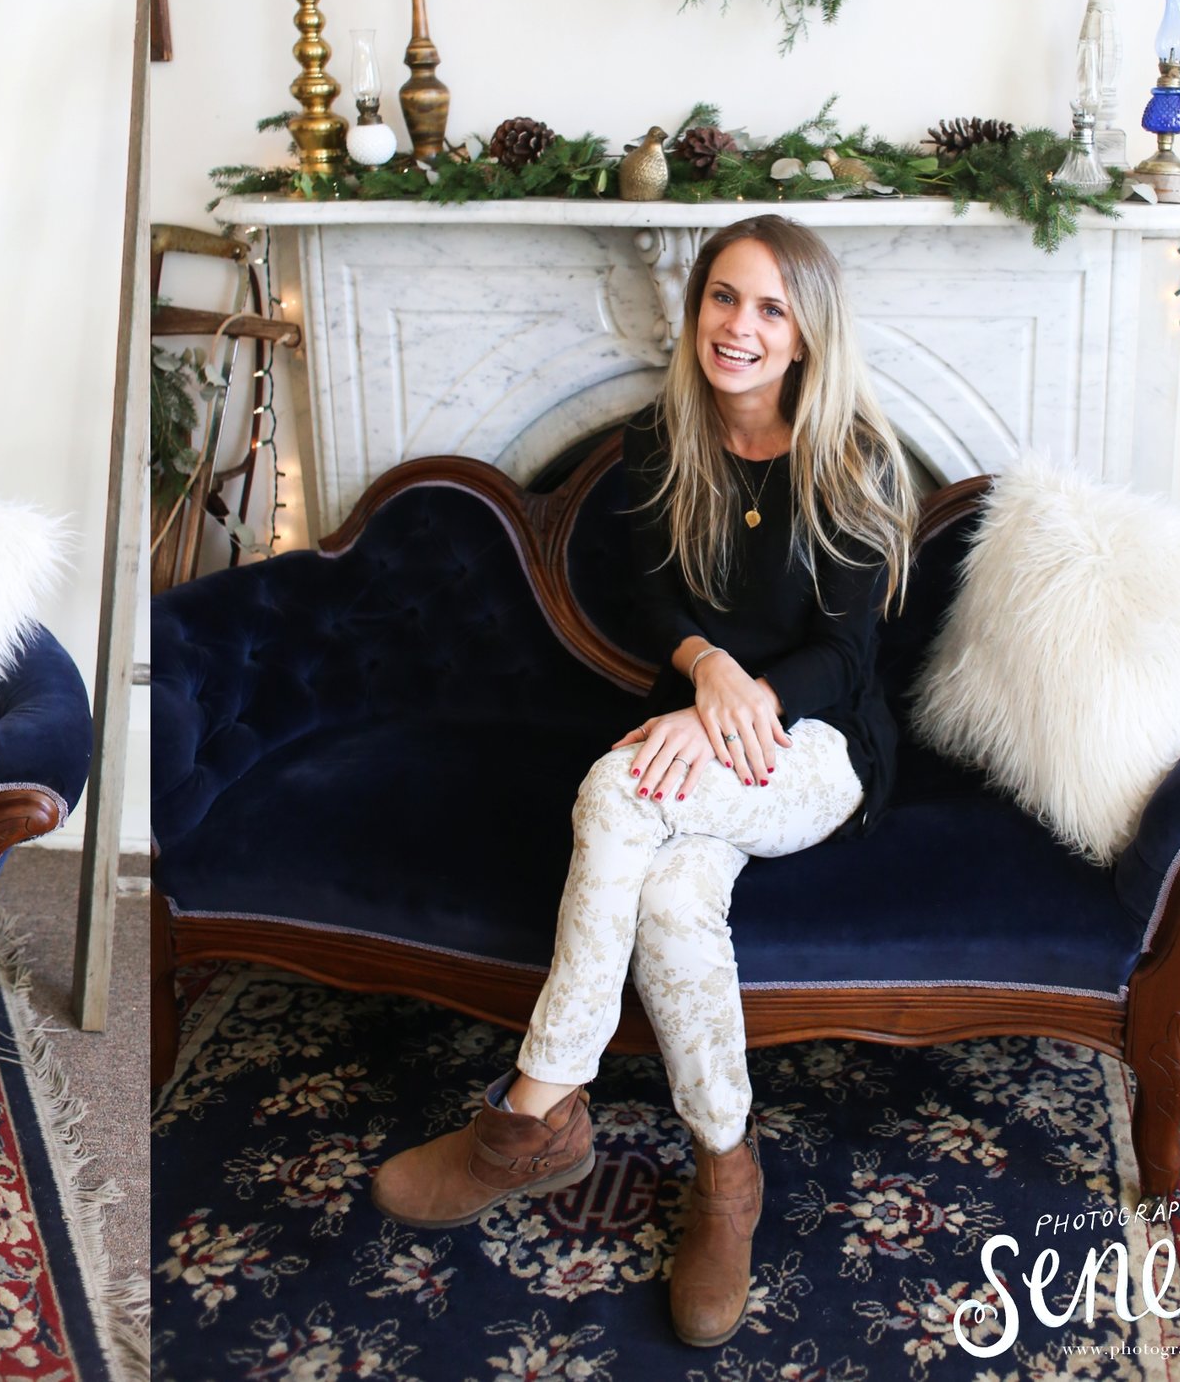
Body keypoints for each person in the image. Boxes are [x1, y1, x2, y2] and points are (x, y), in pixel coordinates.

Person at [369, 213, 916, 1349]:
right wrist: (704, 666)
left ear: (806, 333)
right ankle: (727, 1169)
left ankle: (531, 1111)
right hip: (701, 725)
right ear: (696, 307)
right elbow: (653, 597)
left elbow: (848, 655)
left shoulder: (853, 458)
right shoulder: (660, 443)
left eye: (770, 307)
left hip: (819, 748)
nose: (740, 325)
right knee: (671, 900)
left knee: (616, 791)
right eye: (723, 296)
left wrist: (740, 704)